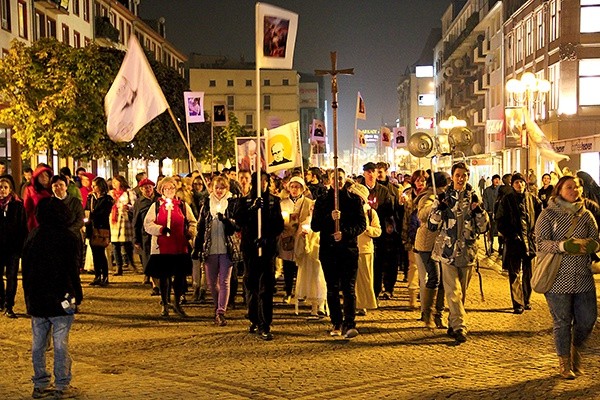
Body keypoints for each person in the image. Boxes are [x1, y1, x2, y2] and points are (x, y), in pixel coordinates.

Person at [535, 175, 598, 379]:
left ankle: (575, 347)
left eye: (577, 187)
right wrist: (563, 246)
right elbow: (540, 244)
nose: (574, 190)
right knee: (562, 321)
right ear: (559, 190)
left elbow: (596, 240)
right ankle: (564, 363)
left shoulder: (586, 215)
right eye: (569, 187)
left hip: (583, 277)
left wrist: (592, 245)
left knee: (588, 319)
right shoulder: (547, 215)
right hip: (557, 277)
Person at [22, 197, 83, 399]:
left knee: (38, 343)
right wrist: (77, 294)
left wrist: (28, 297)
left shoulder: (33, 235)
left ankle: (40, 383)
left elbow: (27, 270)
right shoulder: (68, 237)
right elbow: (72, 270)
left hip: (37, 298)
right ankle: (62, 385)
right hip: (61, 297)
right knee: (60, 343)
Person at [428, 162, 488, 343]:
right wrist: (440, 209)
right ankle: (461, 326)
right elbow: (432, 225)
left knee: (461, 292)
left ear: (468, 176)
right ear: (452, 177)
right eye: (457, 175)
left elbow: (484, 227)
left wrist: (479, 212)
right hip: (448, 252)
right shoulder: (444, 198)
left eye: (464, 175)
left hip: (468, 252)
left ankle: (453, 323)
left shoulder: (475, 198)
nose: (461, 178)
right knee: (453, 291)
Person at [312, 169, 366, 338]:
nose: (338, 181)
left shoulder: (354, 200)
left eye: (341, 178)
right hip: (329, 250)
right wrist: (330, 217)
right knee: (332, 288)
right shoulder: (322, 201)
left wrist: (345, 232)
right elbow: (315, 225)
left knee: (349, 289)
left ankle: (350, 323)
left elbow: (361, 224)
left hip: (348, 250)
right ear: (330, 180)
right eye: (335, 179)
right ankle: (336, 321)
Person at [235, 171, 284, 340]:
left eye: (265, 181)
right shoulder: (243, 201)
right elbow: (238, 221)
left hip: (267, 249)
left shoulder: (273, 201)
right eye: (259, 181)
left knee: (267, 288)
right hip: (250, 249)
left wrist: (267, 237)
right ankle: (254, 318)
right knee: (252, 285)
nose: (262, 184)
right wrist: (251, 209)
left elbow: (279, 225)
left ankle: (265, 323)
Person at [144, 177, 197, 317]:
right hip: (162, 247)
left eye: (172, 188)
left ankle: (177, 302)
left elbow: (192, 222)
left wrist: (190, 232)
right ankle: (164, 302)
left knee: (179, 276)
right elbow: (148, 224)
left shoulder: (182, 206)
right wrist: (160, 229)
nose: (169, 191)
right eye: (166, 188)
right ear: (162, 190)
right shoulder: (156, 206)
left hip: (179, 245)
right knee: (164, 277)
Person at [194, 176, 240, 326]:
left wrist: (227, 221)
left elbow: (237, 225)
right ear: (212, 188)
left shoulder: (232, 203)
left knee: (224, 281)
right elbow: (201, 227)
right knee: (212, 282)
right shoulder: (206, 204)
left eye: (222, 187)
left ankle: (221, 311)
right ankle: (217, 305)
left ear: (227, 189)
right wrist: (197, 247)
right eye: (217, 187)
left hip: (227, 248)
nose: (219, 191)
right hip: (211, 248)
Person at [496, 173, 542, 314]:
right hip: (514, 242)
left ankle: (526, 299)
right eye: (516, 182)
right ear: (512, 184)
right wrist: (510, 235)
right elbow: (500, 220)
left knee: (530, 273)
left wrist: (535, 234)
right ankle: (517, 303)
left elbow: (541, 219)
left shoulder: (533, 200)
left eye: (521, 182)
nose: (519, 185)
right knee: (514, 273)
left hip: (530, 242)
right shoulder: (507, 200)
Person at [414, 172, 449, 329]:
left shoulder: (447, 196)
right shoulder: (427, 196)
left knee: (443, 281)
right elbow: (421, 214)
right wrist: (435, 205)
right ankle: (427, 312)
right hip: (427, 243)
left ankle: (438, 315)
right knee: (434, 277)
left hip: (443, 243)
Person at [277, 177, 313, 304]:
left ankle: (301, 291)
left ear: (302, 189)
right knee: (287, 266)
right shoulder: (283, 203)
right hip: (287, 237)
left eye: (297, 187)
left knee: (300, 266)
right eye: (292, 187)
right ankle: (288, 291)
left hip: (302, 237)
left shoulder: (309, 203)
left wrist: (304, 227)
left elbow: (310, 218)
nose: (294, 189)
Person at [348, 183, 380, 316]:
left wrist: (366, 228)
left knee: (365, 279)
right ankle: (352, 303)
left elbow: (377, 231)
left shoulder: (370, 212)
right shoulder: (348, 211)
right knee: (351, 280)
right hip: (350, 248)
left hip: (365, 249)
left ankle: (364, 304)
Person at [0, 175, 27, 319]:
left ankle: (9, 305)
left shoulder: (17, 205)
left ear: (10, 190)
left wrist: (21, 246)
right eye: (0, 187)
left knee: (12, 277)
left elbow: (22, 227)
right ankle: (1, 300)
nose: (2, 190)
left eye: (5, 187)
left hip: (13, 248)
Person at [400, 170, 428, 309]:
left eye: (423, 180)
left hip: (427, 237)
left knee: (427, 269)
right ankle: (412, 297)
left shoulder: (430, 196)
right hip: (412, 235)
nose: (420, 183)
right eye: (418, 180)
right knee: (413, 266)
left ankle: (425, 297)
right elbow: (404, 217)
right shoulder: (407, 195)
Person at [132, 178, 160, 295]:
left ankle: (160, 283)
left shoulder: (159, 199)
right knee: (149, 260)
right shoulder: (139, 203)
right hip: (146, 236)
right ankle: (155, 285)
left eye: (149, 187)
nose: (147, 189)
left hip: (159, 233)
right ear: (141, 190)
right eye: (145, 188)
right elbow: (136, 222)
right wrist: (136, 239)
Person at [85, 177, 113, 287]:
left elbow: (104, 213)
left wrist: (92, 215)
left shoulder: (107, 199)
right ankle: (97, 276)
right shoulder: (90, 197)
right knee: (94, 253)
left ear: (100, 186)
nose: (92, 187)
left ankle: (105, 276)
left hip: (101, 228)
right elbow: (86, 209)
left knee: (101, 252)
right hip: (91, 227)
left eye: (95, 185)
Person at [109, 175, 137, 276]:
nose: (114, 184)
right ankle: (118, 267)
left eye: (116, 182)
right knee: (115, 243)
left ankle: (131, 262)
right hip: (114, 219)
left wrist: (128, 207)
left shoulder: (129, 193)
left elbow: (134, 205)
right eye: (113, 182)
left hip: (124, 218)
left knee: (127, 242)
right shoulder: (111, 193)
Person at [51, 175, 84, 240]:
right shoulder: (49, 203)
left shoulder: (75, 202)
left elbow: (80, 220)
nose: (58, 187)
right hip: (55, 238)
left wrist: (68, 231)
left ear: (66, 187)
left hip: (72, 237)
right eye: (55, 186)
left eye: (61, 185)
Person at [23, 164, 53, 231]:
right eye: (41, 176)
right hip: (36, 222)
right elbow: (27, 208)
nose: (44, 178)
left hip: (52, 222)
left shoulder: (53, 188)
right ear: (37, 177)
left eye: (46, 175)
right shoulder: (30, 189)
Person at [482, 174, 501, 254]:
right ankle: (491, 246)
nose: (497, 181)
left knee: (500, 231)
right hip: (490, 214)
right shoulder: (487, 190)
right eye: (495, 179)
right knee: (491, 231)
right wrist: (487, 210)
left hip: (499, 214)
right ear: (492, 180)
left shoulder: (501, 190)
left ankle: (501, 247)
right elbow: (485, 200)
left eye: (498, 179)